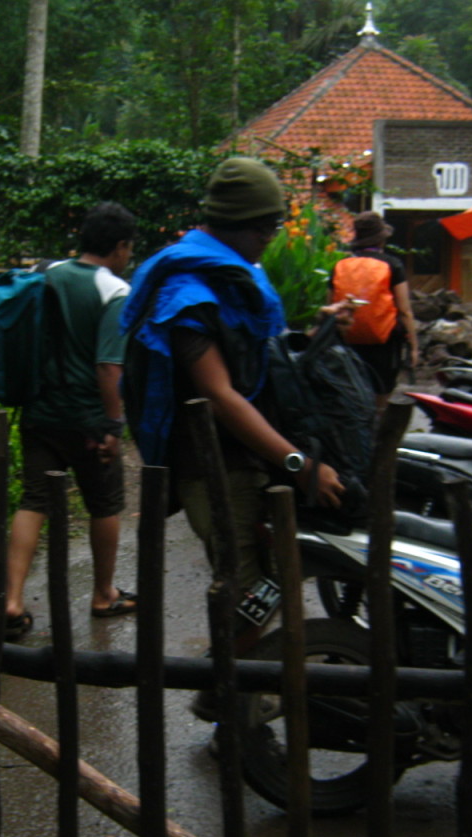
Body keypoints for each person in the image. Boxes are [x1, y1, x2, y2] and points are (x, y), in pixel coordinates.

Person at [120, 157, 350, 719]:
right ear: (239, 226)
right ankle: (228, 701)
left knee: (265, 580)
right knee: (249, 589)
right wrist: (300, 464)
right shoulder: (186, 292)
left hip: (249, 458)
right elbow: (221, 395)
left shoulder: (231, 271)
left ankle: (224, 689)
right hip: (212, 465)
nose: (271, 242)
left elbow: (260, 355)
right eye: (266, 230)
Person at [3, 202, 139, 640]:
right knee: (105, 503)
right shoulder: (113, 290)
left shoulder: (47, 273)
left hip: (40, 410)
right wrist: (113, 427)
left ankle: (11, 601)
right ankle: (103, 594)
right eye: (129, 248)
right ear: (119, 247)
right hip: (86, 419)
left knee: (34, 500)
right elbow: (107, 367)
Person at [326, 211, 418, 411]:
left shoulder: (339, 265)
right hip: (384, 343)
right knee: (380, 399)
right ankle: (375, 431)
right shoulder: (392, 264)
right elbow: (405, 311)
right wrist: (413, 347)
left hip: (347, 342)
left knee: (351, 395)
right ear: (382, 239)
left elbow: (330, 308)